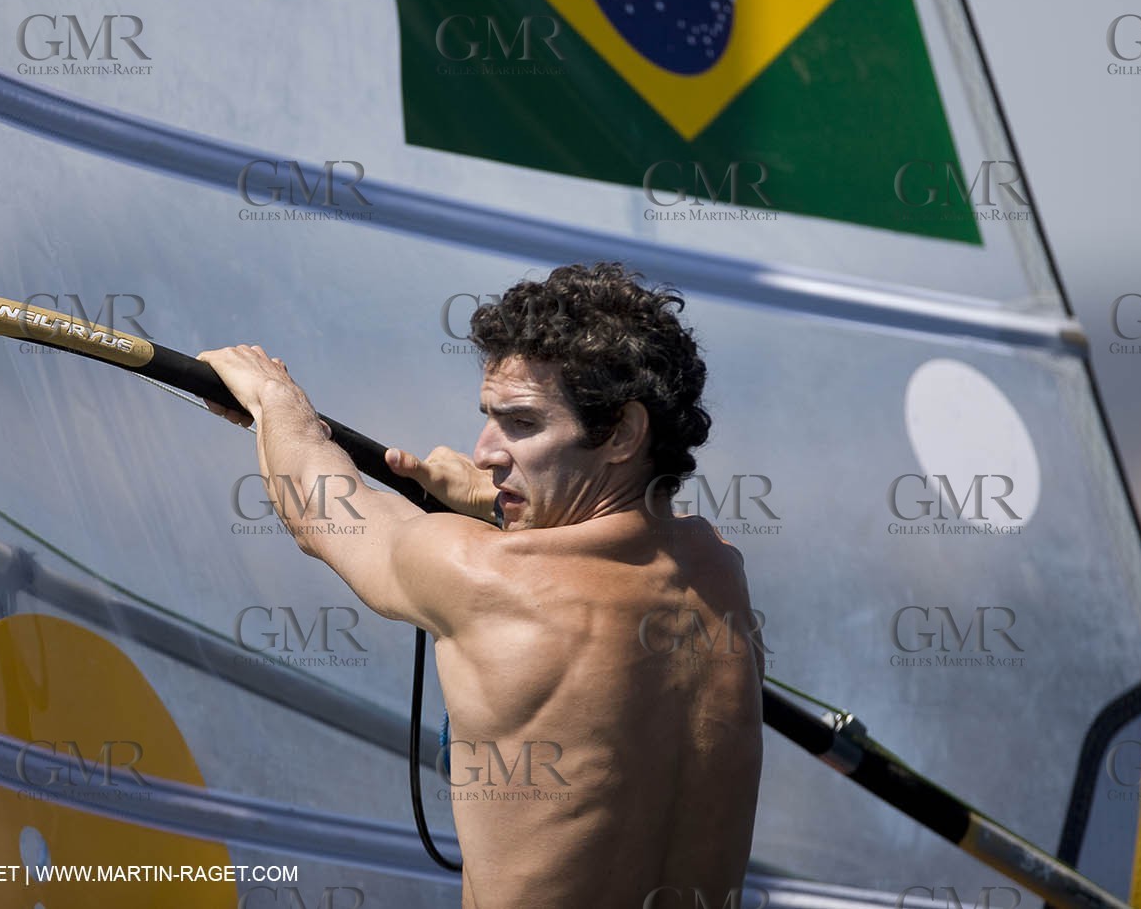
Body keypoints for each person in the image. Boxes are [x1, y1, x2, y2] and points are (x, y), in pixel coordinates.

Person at [200, 262, 764, 909]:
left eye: (522, 424)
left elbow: (321, 508)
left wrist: (273, 400)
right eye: (490, 418)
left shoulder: (485, 578)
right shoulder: (719, 571)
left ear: (623, 432)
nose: (487, 450)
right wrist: (495, 503)